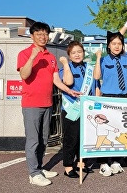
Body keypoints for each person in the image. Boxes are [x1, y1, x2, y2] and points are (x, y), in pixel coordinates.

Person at [17, 22, 80, 186]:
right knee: (33, 140)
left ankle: (39, 167)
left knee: (44, 139)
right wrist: (32, 57)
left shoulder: (51, 57)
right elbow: (24, 75)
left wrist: (69, 91)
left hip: (47, 103)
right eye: (39, 34)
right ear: (32, 36)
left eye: (45, 34)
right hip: (31, 104)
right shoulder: (24, 54)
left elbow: (56, 80)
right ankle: (33, 173)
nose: (43, 37)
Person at [93, 31, 127, 177]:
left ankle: (116, 160)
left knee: (119, 129)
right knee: (105, 130)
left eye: (119, 43)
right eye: (114, 44)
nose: (117, 46)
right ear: (109, 45)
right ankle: (103, 162)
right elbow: (96, 77)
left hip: (124, 98)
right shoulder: (103, 60)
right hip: (108, 98)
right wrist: (98, 57)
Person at [59, 41, 97, 179]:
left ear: (84, 53)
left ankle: (81, 163)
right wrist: (64, 64)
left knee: (84, 138)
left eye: (79, 52)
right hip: (72, 108)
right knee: (71, 138)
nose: (77, 55)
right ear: (69, 55)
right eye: (73, 53)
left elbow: (95, 87)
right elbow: (68, 82)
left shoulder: (89, 68)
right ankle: (68, 166)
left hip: (87, 108)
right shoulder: (65, 68)